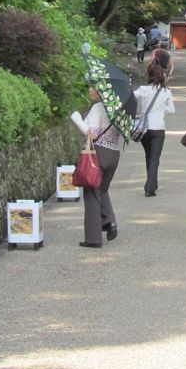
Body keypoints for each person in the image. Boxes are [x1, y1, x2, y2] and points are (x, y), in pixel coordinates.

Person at [73, 85, 123, 248]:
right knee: (102, 190)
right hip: (114, 154)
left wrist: (77, 119)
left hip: (98, 154)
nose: (89, 90)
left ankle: (93, 239)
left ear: (101, 91)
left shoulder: (98, 108)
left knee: (92, 193)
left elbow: (92, 134)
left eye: (92, 88)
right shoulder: (117, 109)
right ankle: (110, 222)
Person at [134, 64, 175, 197]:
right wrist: (162, 110)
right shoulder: (166, 91)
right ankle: (150, 187)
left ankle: (153, 182)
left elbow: (131, 97)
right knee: (155, 158)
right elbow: (172, 110)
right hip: (158, 128)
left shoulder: (143, 90)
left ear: (149, 75)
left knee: (149, 155)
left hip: (144, 129)